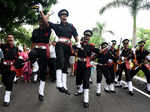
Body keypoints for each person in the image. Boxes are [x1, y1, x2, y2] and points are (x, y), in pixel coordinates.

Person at [36, 4, 79, 95]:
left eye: (66, 15)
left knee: (65, 65)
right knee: (60, 61)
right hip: (60, 45)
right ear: (60, 16)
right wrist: (42, 12)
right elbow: (45, 21)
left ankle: (64, 85)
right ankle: (59, 84)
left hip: (68, 46)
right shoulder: (56, 25)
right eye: (62, 15)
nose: (64, 16)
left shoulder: (71, 26)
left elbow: (76, 36)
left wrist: (78, 43)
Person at [29, 13, 52, 101]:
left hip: (44, 51)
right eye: (40, 20)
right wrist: (31, 51)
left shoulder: (48, 29)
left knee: (43, 72)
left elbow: (47, 23)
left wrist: (44, 14)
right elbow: (33, 42)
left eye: (43, 20)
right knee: (31, 54)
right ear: (38, 22)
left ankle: (41, 92)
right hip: (36, 49)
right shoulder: (35, 30)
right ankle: (36, 65)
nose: (41, 22)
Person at [74, 30, 95, 108]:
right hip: (79, 64)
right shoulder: (79, 44)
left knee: (86, 81)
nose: (87, 37)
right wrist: (76, 46)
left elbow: (97, 52)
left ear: (90, 37)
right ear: (84, 36)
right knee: (79, 80)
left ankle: (86, 100)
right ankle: (80, 90)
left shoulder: (91, 46)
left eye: (88, 36)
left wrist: (106, 49)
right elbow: (72, 50)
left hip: (87, 65)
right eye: (86, 35)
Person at [0, 34, 19, 106]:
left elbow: (17, 58)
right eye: (8, 37)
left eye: (11, 37)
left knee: (9, 82)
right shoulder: (3, 46)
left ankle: (6, 98)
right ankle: (12, 81)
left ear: (13, 39)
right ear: (7, 39)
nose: (10, 38)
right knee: (4, 80)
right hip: (4, 67)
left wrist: (15, 66)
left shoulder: (16, 48)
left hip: (12, 68)